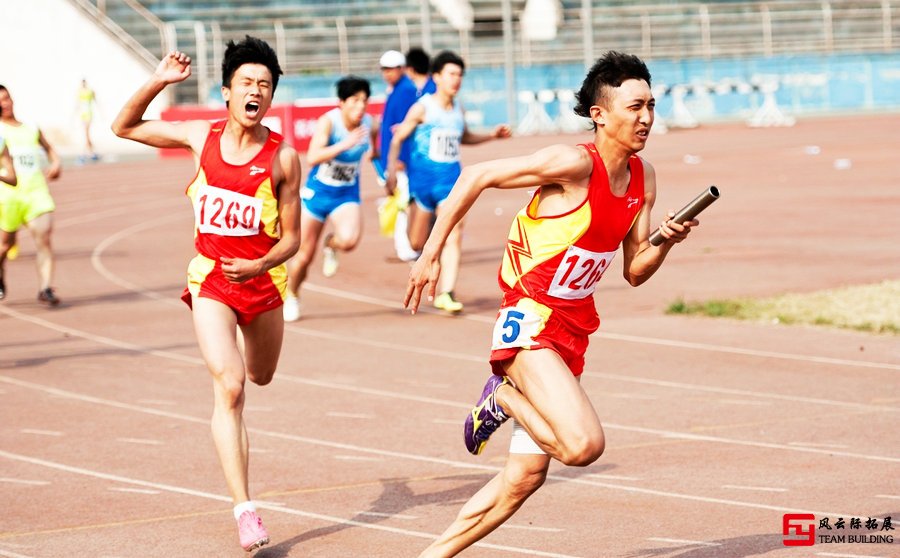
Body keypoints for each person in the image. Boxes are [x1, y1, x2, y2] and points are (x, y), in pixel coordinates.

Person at [404, 51, 699, 557]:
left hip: (573, 332)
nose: (647, 117)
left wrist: (665, 240)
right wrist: (429, 254)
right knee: (584, 446)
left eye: (652, 105)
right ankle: (502, 395)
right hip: (530, 322)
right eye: (635, 106)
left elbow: (634, 272)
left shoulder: (644, 178)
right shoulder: (572, 163)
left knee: (522, 480)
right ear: (601, 113)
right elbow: (475, 174)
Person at [111, 37, 301, 552]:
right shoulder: (200, 137)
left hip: (263, 284)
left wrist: (261, 263)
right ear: (227, 92)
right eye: (246, 82)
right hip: (212, 280)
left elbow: (293, 238)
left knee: (260, 376)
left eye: (264, 84)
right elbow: (123, 127)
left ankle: (244, 498)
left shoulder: (283, 158)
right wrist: (159, 80)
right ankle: (245, 510)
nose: (255, 90)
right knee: (232, 385)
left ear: (271, 96)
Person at [386, 50, 511, 314]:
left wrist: (491, 136)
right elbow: (398, 138)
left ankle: (447, 292)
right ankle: (425, 253)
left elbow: (463, 137)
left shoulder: (458, 110)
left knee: (454, 234)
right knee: (416, 243)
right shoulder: (423, 108)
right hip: (422, 186)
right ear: (437, 77)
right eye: (451, 74)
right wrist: (391, 173)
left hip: (451, 184)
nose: (456, 80)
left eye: (460, 75)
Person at [283, 76, 374, 322]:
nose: (360, 107)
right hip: (317, 195)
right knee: (303, 255)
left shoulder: (368, 123)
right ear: (342, 103)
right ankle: (292, 295)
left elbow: (375, 149)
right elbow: (313, 157)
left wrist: (385, 172)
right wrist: (344, 144)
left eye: (364, 101)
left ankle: (331, 245)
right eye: (354, 101)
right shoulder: (329, 122)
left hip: (346, 194)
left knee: (350, 240)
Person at [0, 85, 63, 305]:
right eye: (0, 101)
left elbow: (50, 149)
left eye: (6, 98)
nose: (4, 104)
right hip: (7, 196)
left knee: (44, 239)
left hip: (36, 193)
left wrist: (56, 163)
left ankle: (45, 288)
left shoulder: (30, 128)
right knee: (4, 247)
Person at [75, 79, 100, 163]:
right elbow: (77, 104)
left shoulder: (90, 91)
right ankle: (92, 152)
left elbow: (96, 102)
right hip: (83, 114)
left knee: (86, 133)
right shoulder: (79, 92)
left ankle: (84, 153)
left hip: (89, 113)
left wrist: (101, 113)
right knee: (86, 134)